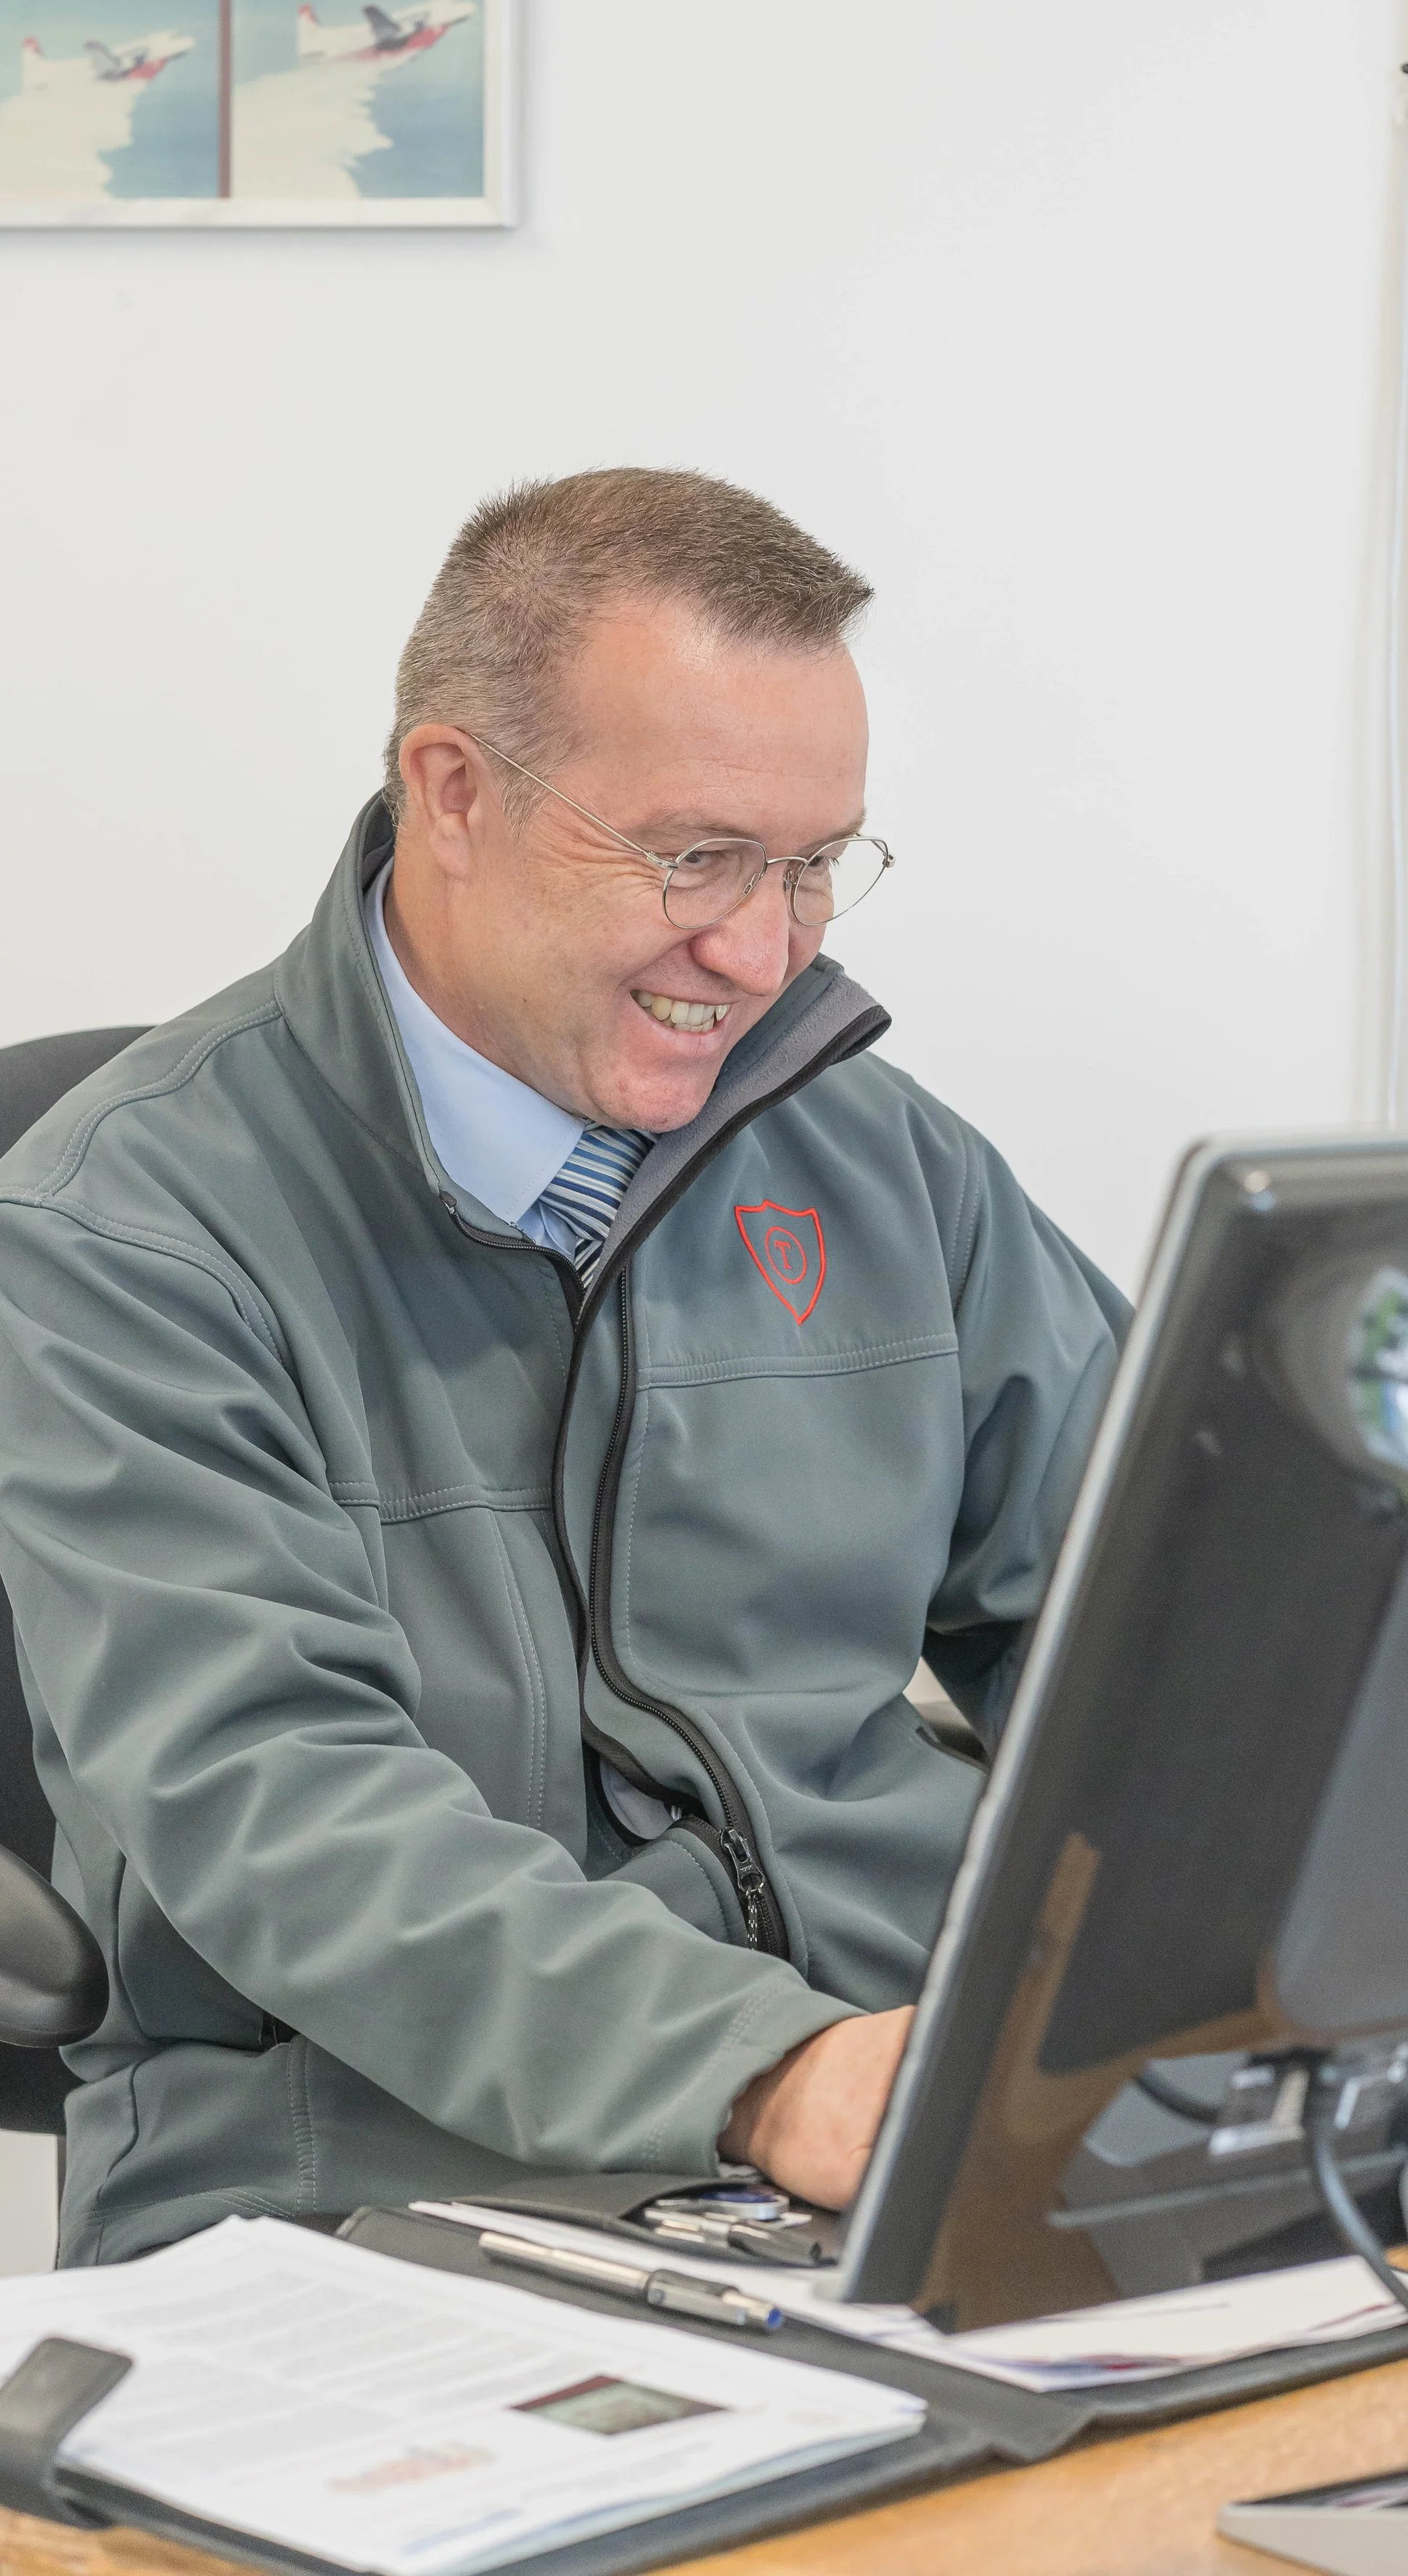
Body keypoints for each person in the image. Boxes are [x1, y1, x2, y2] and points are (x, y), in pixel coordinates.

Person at [0, 469, 1127, 2265]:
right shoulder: (121, 1226)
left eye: (812, 864)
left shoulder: (874, 1158)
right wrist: (771, 2073)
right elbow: (283, 1808)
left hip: (879, 2147)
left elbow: (1160, 1620)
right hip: (353, 2184)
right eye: (692, 857)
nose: (758, 951)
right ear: (452, 793)